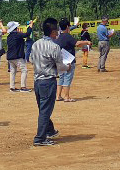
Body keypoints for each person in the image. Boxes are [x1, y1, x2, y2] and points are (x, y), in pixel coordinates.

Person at [31, 18, 69, 146]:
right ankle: (40, 138)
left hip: (37, 81)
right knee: (45, 110)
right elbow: (60, 67)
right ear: (53, 32)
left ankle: (50, 130)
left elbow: (31, 59)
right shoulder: (54, 46)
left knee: (43, 108)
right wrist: (68, 66)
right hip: (48, 81)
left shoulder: (35, 44)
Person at [55, 18, 91, 101]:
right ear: (67, 26)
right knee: (67, 78)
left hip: (61, 60)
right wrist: (86, 42)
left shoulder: (59, 36)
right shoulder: (67, 36)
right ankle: (66, 97)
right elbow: (77, 43)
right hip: (69, 61)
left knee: (61, 78)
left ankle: (58, 96)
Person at [6, 20, 34, 92]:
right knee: (24, 70)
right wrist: (30, 25)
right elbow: (27, 34)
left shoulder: (9, 36)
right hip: (17, 56)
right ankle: (23, 87)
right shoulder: (17, 35)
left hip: (10, 56)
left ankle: (12, 87)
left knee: (13, 71)